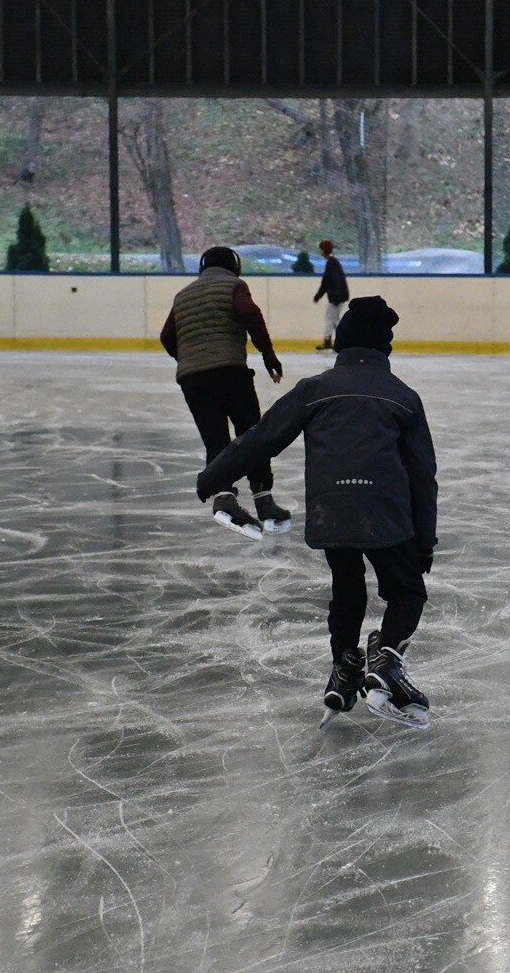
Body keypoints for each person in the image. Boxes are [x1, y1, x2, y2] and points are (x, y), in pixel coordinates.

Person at [196, 296, 438, 728]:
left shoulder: (314, 390)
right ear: (385, 348)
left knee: (347, 591)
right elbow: (423, 476)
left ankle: (346, 669)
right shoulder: (404, 397)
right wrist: (424, 541)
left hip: (332, 511)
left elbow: (261, 438)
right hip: (386, 513)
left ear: (342, 343)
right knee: (407, 591)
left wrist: (215, 476)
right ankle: (386, 657)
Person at [160, 245, 291, 540]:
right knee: (252, 435)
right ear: (235, 266)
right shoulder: (234, 285)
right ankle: (264, 500)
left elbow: (167, 337)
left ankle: (223, 496)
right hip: (230, 372)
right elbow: (249, 314)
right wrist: (268, 355)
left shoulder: (183, 295)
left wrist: (190, 359)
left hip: (192, 379)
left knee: (215, 439)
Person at [312, 239, 349, 351]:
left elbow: (336, 281)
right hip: (338, 296)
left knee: (330, 319)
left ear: (323, 250)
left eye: (321, 249)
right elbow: (325, 283)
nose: (320, 251)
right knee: (334, 320)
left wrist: (336, 298)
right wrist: (318, 296)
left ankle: (329, 341)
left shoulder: (332, 264)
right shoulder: (331, 263)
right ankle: (342, 341)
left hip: (336, 297)